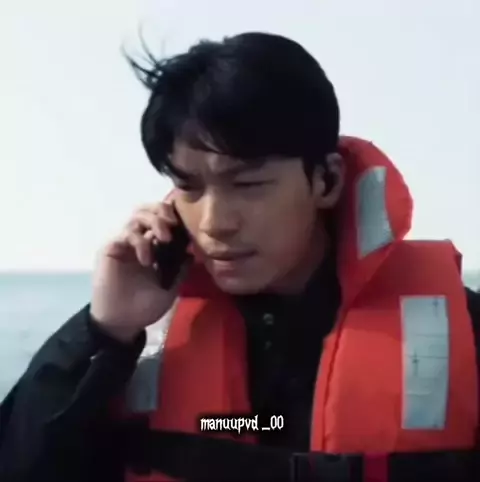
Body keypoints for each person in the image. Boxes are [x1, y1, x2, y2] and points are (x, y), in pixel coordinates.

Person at [0, 31, 479, 482]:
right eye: (189, 187)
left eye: (248, 184)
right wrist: (103, 330)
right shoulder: (132, 339)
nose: (213, 223)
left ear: (326, 181)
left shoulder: (461, 328)